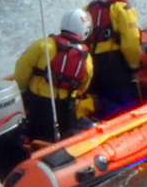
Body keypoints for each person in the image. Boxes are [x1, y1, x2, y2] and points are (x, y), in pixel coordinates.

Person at [14, 9, 94, 142]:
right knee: (65, 133)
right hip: (66, 107)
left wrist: (21, 90)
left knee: (33, 132)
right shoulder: (86, 58)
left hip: (38, 103)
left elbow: (21, 69)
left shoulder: (42, 45)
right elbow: (84, 85)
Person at [85, 0, 142, 118]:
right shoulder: (123, 8)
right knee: (126, 105)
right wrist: (134, 65)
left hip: (93, 65)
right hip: (114, 63)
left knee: (100, 104)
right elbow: (130, 41)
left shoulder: (89, 8)